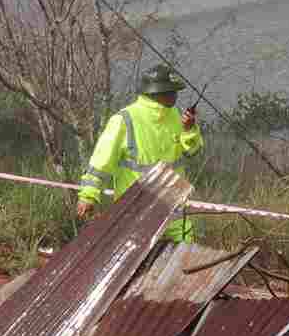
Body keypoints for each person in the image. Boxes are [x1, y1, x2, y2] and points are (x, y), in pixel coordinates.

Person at [78, 63, 203, 242]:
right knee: (134, 257)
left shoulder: (176, 116)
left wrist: (190, 130)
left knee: (184, 248)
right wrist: (88, 196)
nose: (175, 96)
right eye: (171, 92)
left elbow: (193, 151)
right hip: (136, 207)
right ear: (156, 93)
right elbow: (101, 162)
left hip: (172, 204)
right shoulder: (124, 119)